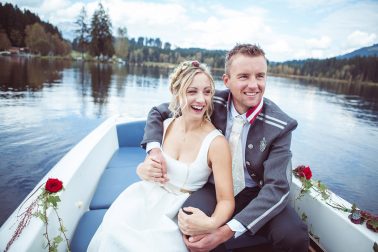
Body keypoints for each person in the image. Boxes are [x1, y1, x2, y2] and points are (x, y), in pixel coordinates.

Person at [140, 44, 309, 252]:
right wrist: (153, 150)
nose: (254, 85)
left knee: (294, 235)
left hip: (259, 193)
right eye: (244, 76)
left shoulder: (280, 125)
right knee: (191, 224)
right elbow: (158, 112)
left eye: (260, 76)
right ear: (226, 80)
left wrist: (224, 232)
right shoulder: (209, 100)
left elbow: (277, 188)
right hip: (215, 187)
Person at [87, 61, 235, 252]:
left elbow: (226, 200)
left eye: (207, 92)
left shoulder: (216, 143)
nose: (201, 99)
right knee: (114, 232)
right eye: (192, 92)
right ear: (177, 92)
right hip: (145, 197)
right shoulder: (164, 127)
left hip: (177, 211)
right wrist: (142, 169)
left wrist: (212, 223)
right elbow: (147, 166)